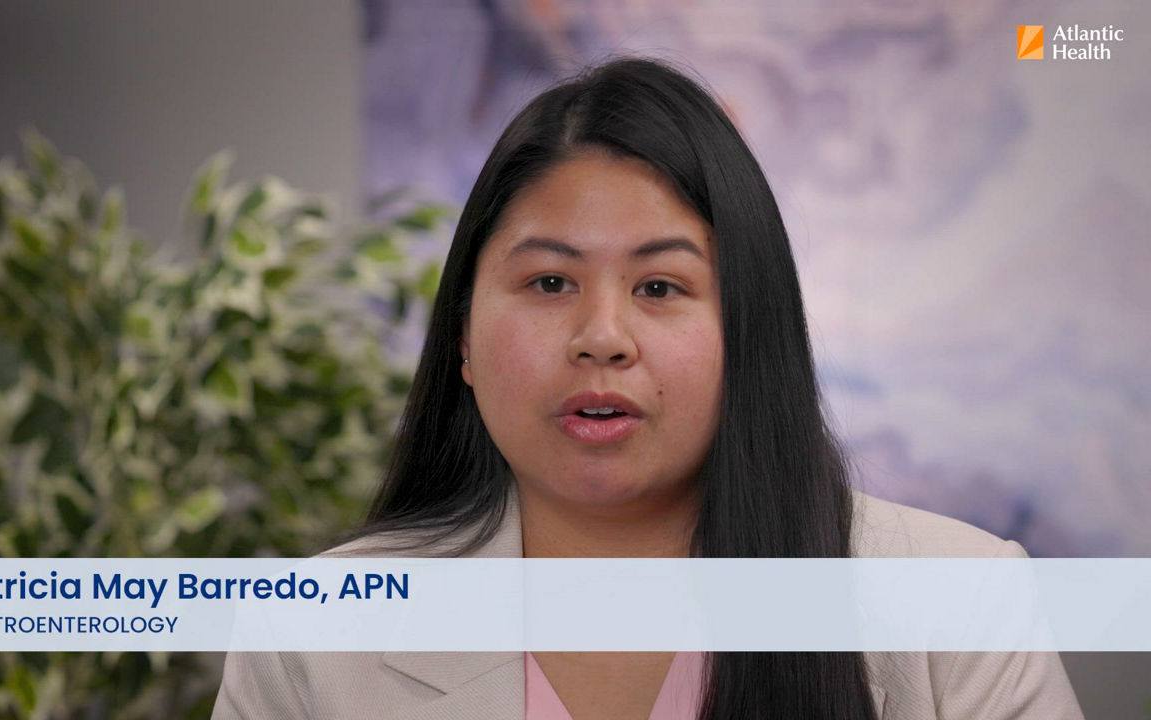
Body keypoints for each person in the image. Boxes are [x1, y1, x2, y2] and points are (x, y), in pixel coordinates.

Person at [213, 57, 1083, 720]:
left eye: (660, 287)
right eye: (549, 282)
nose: (602, 337)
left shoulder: (962, 606)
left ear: (751, 334)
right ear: (464, 341)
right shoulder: (309, 639)